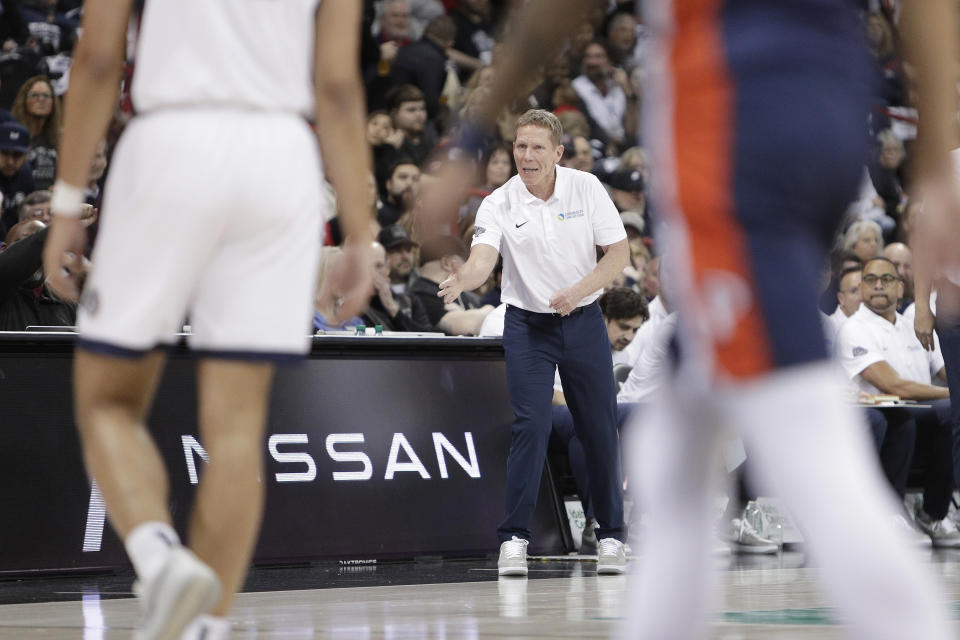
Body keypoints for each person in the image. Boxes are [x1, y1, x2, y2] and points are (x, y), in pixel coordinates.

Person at [616, 0, 955, 636]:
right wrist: (932, 166)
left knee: (802, 431)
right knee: (670, 446)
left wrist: (473, 130)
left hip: (738, 105)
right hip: (831, 95)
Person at [41, 2, 375, 640]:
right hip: (281, 159)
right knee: (238, 431)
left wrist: (63, 204)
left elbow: (98, 58)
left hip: (172, 145)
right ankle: (205, 628)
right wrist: (360, 230)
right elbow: (336, 84)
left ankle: (159, 557)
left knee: (107, 402)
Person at [438, 108, 631, 576]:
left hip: (582, 319)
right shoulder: (498, 202)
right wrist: (466, 275)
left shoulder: (586, 189)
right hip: (527, 325)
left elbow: (619, 254)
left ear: (558, 153)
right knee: (531, 425)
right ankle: (514, 540)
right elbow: (485, 258)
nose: (526, 155)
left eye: (537, 147)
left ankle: (610, 536)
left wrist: (579, 291)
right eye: (520, 147)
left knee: (599, 427)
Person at [10, 75, 60, 189]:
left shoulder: (58, 138)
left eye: (46, 95)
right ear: (24, 100)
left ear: (53, 102)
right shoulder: (13, 135)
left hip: (51, 201)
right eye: (35, 95)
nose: (41, 99)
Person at [0, 121, 36, 237]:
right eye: (4, 153)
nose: (10, 161)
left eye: (17, 155)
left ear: (27, 154)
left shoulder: (28, 176)